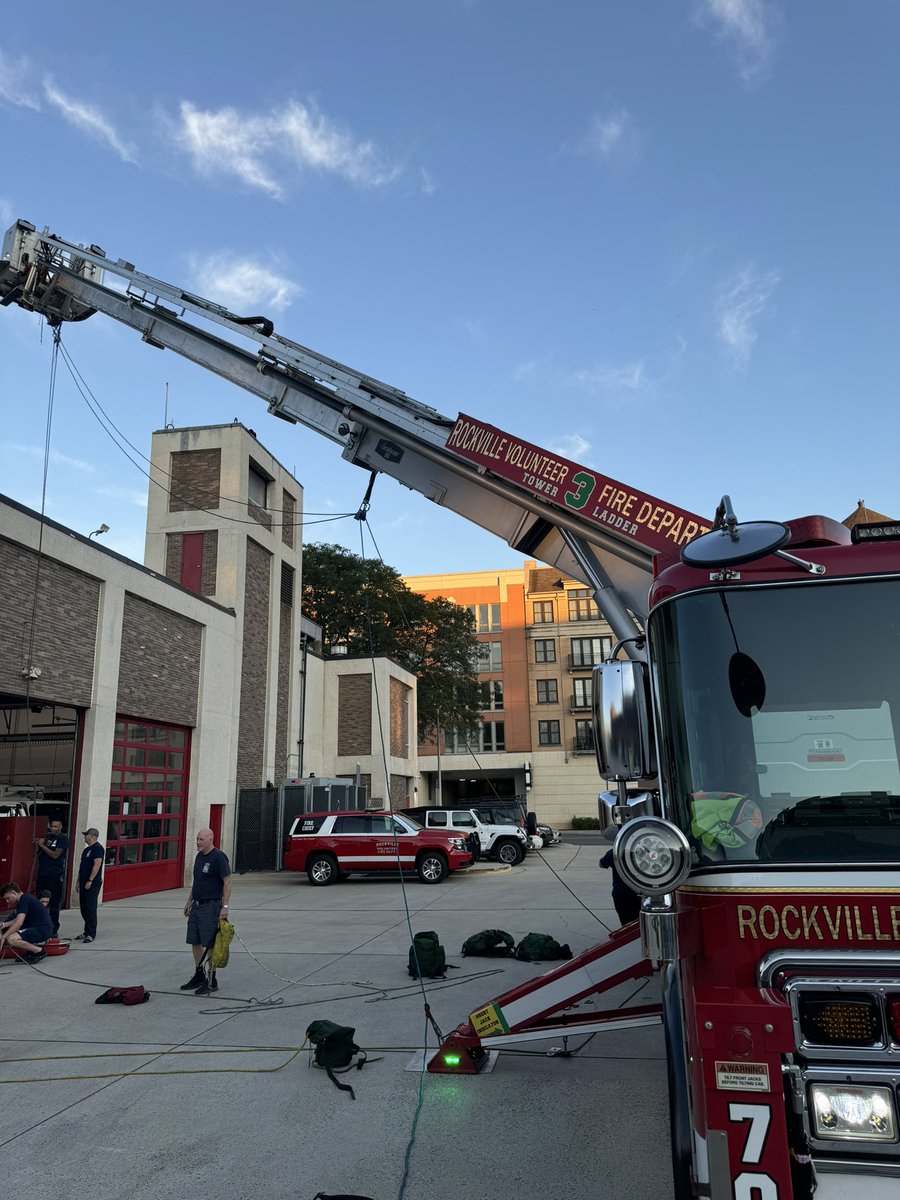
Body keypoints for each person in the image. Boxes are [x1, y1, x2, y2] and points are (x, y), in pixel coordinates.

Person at [181, 827, 231, 996]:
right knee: (194, 941)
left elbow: (227, 882)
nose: (198, 842)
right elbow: (197, 883)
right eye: (197, 839)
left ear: (211, 839)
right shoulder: (199, 857)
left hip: (211, 906)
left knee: (210, 943)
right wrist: (189, 902)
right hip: (197, 905)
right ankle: (199, 974)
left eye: (201, 839)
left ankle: (211, 979)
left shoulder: (219, 857)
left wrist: (225, 907)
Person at [599, 824, 641, 926]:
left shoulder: (612, 853)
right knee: (638, 921)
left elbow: (602, 864)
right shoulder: (639, 852)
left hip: (621, 893)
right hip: (638, 892)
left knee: (625, 921)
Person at [34, 818, 70, 935]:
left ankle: (54, 929)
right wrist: (39, 842)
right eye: (52, 826)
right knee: (40, 900)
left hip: (54, 874)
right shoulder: (48, 837)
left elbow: (55, 855)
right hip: (42, 873)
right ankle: (40, 925)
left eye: (56, 827)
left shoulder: (63, 839)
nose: (53, 828)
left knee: (54, 902)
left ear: (60, 827)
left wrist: (43, 846)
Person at [0, 882, 53, 961]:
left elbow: (19, 923)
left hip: (41, 930)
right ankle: (30, 951)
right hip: (41, 928)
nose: (7, 901)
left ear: (13, 893)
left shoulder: (23, 901)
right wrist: (4, 924)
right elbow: (17, 919)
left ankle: (38, 951)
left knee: (11, 939)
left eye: (7, 898)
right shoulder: (25, 898)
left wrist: (4, 937)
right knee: (12, 933)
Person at [75, 828, 104, 943]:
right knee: (83, 908)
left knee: (90, 908)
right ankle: (86, 930)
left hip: (92, 883)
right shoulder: (86, 850)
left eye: (86, 835)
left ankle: (91, 933)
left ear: (92, 836)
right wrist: (78, 881)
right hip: (83, 881)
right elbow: (82, 867)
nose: (85, 837)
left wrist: (90, 880)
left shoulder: (98, 848)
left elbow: (97, 864)